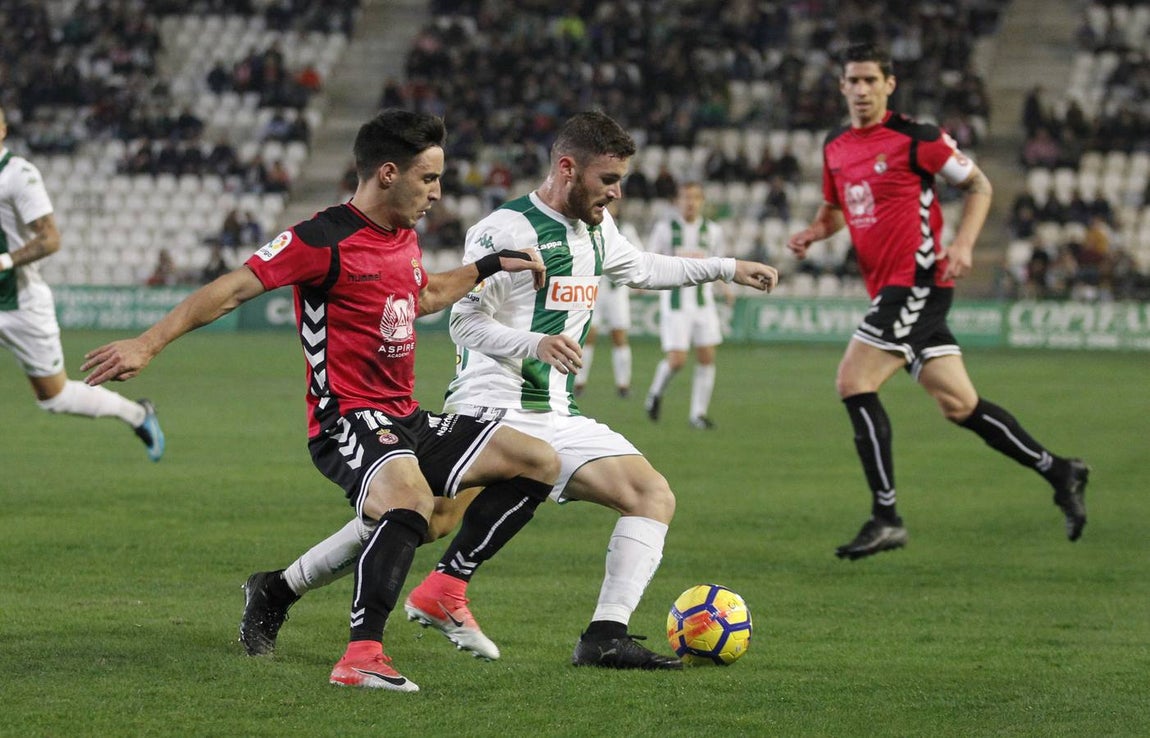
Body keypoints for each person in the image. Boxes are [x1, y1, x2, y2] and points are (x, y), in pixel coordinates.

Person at [236, 111, 778, 670]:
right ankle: (288, 590)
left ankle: (604, 635)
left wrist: (725, 267)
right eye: (608, 180)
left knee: (650, 495)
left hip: (559, 412)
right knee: (416, 519)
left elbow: (639, 267)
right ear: (568, 168)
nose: (616, 194)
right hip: (493, 404)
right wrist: (533, 343)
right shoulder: (505, 229)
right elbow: (463, 323)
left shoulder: (595, 227)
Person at [81, 109, 558, 693]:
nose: (437, 193)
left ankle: (296, 589)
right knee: (406, 504)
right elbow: (232, 289)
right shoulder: (321, 238)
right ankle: (360, 657)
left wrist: (486, 266)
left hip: (404, 414)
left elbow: (425, 293)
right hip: (346, 418)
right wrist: (147, 343)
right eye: (428, 178)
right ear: (388, 173)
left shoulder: (401, 237)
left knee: (535, 462)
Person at [785, 43, 1089, 561]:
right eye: (851, 81)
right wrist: (816, 231)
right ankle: (1060, 471)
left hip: (918, 282)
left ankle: (886, 517)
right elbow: (837, 207)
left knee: (853, 381)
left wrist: (964, 243)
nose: (860, 90)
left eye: (869, 81)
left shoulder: (916, 138)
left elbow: (978, 184)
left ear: (889, 85)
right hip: (889, 288)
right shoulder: (835, 145)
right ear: (841, 87)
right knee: (959, 405)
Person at [0, 104, 164, 462]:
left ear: (2, 130)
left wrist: (5, 261)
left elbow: (50, 239)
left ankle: (137, 414)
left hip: (19, 304)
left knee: (55, 397)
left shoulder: (17, 175)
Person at [643, 181, 732, 430]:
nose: (690, 202)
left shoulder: (712, 231)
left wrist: (724, 288)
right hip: (675, 303)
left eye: (695, 197)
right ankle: (655, 393)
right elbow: (650, 259)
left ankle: (698, 414)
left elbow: (717, 263)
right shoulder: (665, 229)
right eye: (685, 197)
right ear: (677, 201)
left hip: (703, 303)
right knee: (677, 360)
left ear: (702, 201)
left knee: (706, 357)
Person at [573, 198, 634, 398]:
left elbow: (637, 255)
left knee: (619, 337)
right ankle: (579, 381)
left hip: (617, 291)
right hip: (594, 289)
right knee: (588, 336)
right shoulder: (584, 226)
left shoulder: (627, 229)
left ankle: (623, 384)